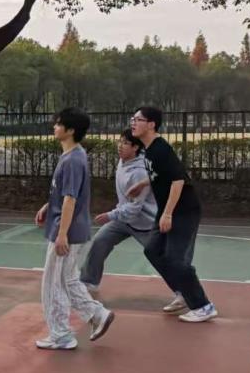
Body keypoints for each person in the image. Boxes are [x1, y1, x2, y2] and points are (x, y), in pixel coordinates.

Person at [33, 107, 116, 350]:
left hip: (67, 231)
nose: (54, 127)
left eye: (59, 124)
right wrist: (49, 205)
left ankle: (61, 335)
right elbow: (65, 193)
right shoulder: (73, 155)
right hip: (71, 228)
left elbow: (71, 199)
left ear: (70, 130)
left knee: (53, 284)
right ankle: (97, 315)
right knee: (67, 279)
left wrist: (62, 234)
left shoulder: (72, 160)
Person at [130, 105, 217, 322]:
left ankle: (203, 306)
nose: (133, 123)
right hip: (168, 209)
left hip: (184, 210)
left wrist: (168, 214)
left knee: (176, 260)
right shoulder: (149, 149)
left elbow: (178, 180)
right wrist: (143, 183)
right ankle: (183, 292)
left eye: (138, 119)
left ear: (151, 124)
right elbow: (162, 174)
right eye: (133, 119)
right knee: (152, 250)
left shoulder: (161, 149)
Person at [79, 128, 157, 293]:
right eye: (119, 142)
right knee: (100, 241)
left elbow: (135, 207)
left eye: (125, 143)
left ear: (135, 147)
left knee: (161, 258)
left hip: (145, 225)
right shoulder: (123, 161)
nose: (120, 146)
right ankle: (88, 282)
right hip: (123, 220)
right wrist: (117, 214)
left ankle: (183, 291)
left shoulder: (139, 172)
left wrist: (111, 215)